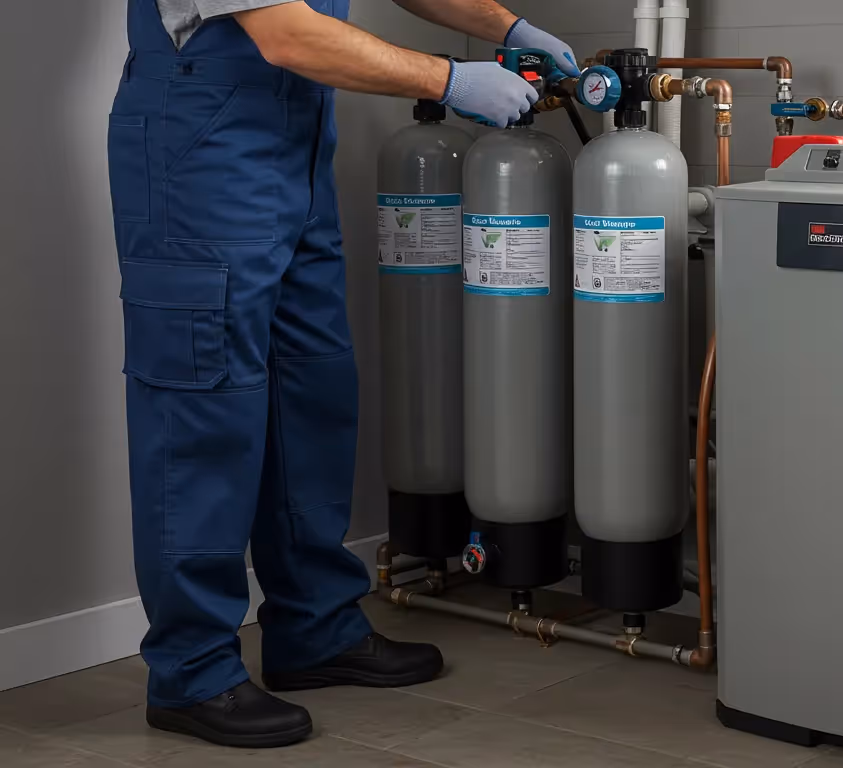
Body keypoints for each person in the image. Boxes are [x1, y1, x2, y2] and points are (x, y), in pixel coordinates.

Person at [107, 0, 579, 750]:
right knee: (202, 412)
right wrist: (452, 78)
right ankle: (191, 672)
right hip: (200, 149)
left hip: (290, 147)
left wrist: (507, 27)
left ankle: (315, 629)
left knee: (312, 392)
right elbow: (286, 32)